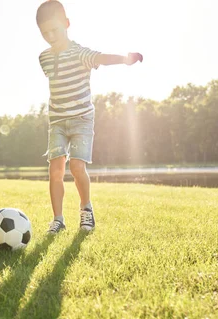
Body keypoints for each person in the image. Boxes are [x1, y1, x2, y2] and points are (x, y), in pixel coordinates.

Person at [36, 0, 143, 233]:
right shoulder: (43, 58)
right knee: (55, 169)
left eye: (55, 30)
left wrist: (125, 59)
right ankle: (58, 220)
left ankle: (86, 209)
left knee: (76, 166)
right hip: (56, 122)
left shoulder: (80, 53)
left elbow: (102, 58)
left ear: (66, 23)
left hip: (82, 119)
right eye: (45, 33)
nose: (51, 36)